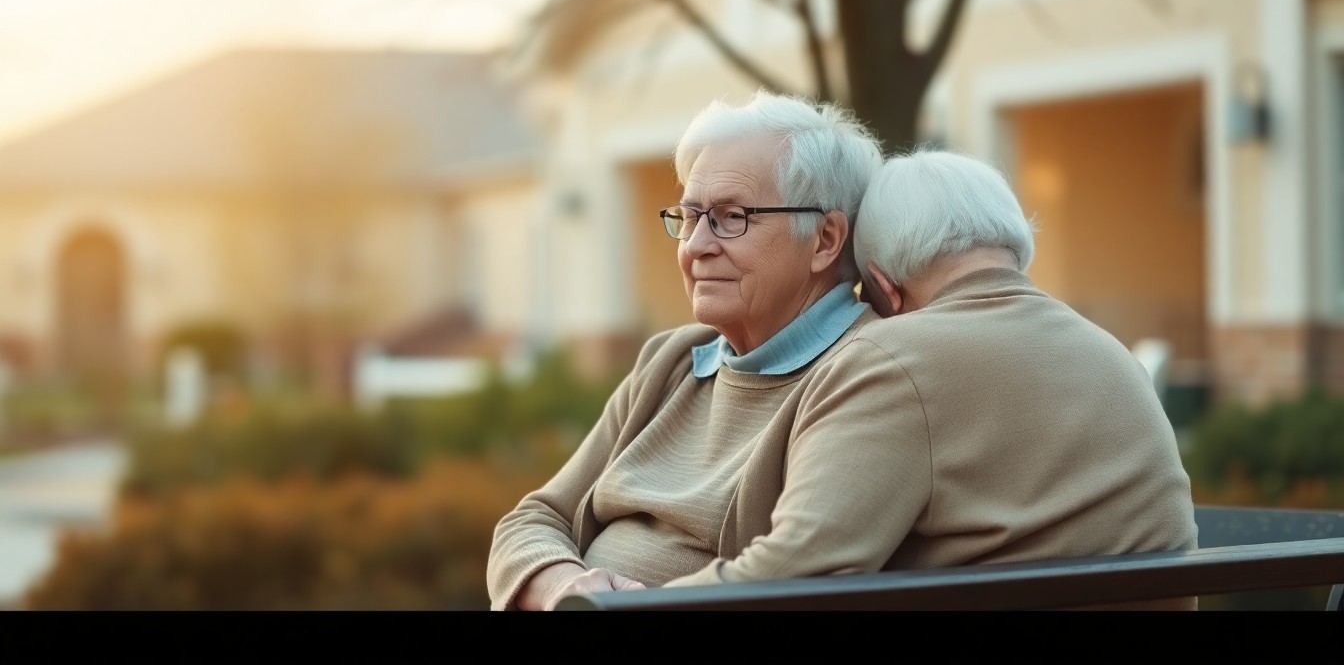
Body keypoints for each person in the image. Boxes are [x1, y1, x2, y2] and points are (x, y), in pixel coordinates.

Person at [486, 88, 899, 611]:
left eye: (731, 216)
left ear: (824, 239)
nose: (696, 246)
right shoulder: (674, 360)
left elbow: (793, 580)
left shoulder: (865, 373)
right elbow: (533, 519)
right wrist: (561, 586)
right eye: (690, 216)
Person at [851, 145, 1200, 610]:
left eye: (864, 293)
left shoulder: (894, 356)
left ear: (886, 287)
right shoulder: (1112, 350)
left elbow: (805, 566)